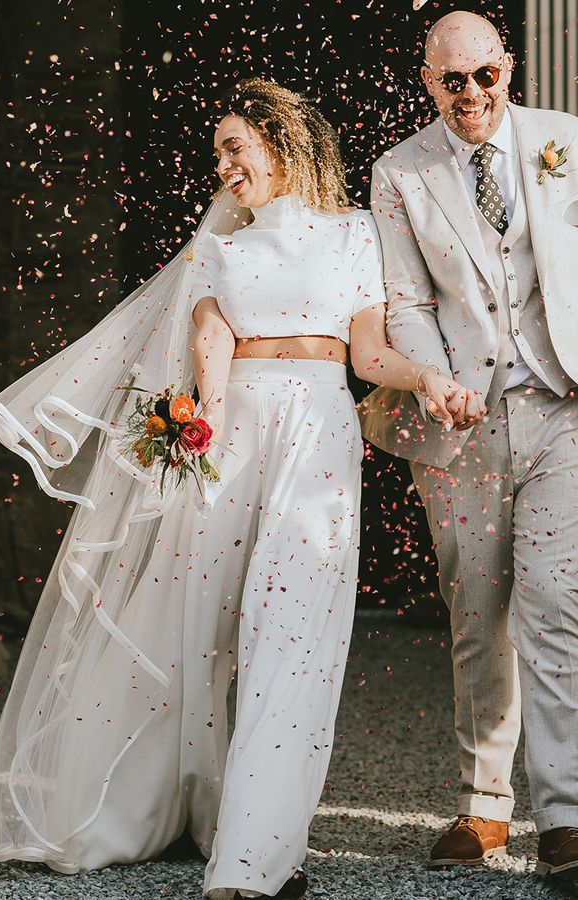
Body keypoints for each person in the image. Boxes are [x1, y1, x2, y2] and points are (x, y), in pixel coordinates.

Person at [0, 78, 474, 899]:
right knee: (202, 637)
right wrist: (188, 443)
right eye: (218, 152)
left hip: (317, 438)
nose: (224, 165)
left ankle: (251, 862)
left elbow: (366, 357)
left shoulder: (354, 234)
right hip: (232, 446)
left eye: (235, 146)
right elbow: (208, 369)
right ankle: (197, 813)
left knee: (294, 643)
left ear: (282, 146)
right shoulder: (221, 250)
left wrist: (427, 375)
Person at [361, 10, 578, 879]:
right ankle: (483, 807)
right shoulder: (399, 172)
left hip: (563, 404)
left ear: (508, 67)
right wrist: (434, 378)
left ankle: (564, 813)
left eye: (486, 75)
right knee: (476, 614)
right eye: (453, 81)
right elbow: (404, 301)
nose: (472, 95)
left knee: (558, 606)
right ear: (427, 82)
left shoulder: (567, 142)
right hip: (462, 422)